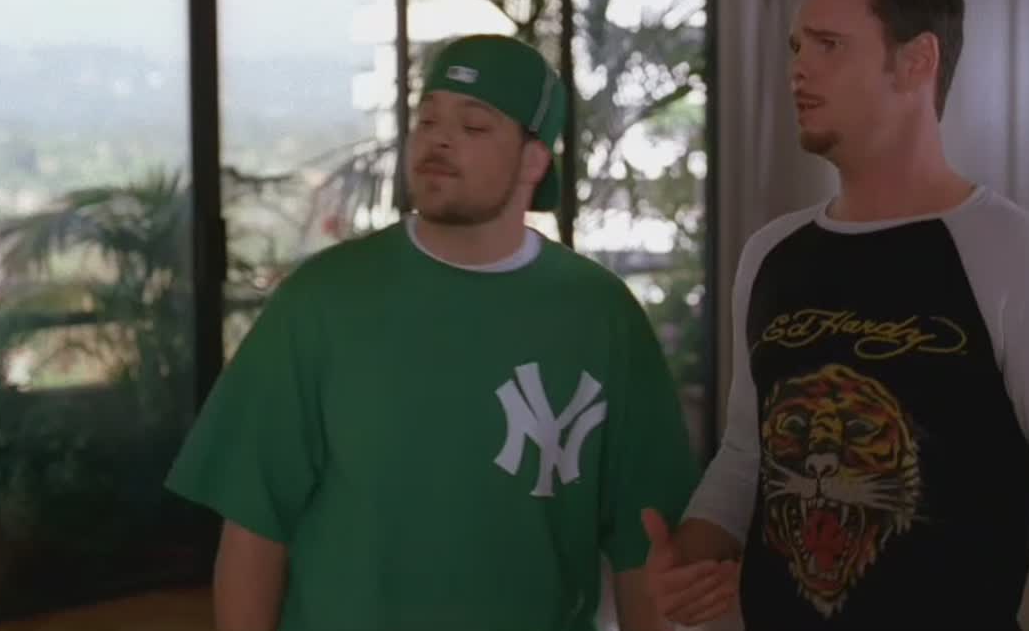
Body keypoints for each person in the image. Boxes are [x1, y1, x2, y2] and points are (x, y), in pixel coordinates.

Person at [640, 0, 1029, 630]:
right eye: (797, 46)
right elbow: (746, 454)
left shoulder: (1018, 257)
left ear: (917, 61)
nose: (798, 68)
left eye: (828, 45)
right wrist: (692, 553)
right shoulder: (771, 254)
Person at [165, 33, 700, 631]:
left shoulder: (601, 315)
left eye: (473, 126)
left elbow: (644, 545)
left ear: (534, 161)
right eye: (427, 120)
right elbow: (253, 530)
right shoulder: (321, 301)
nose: (439, 139)